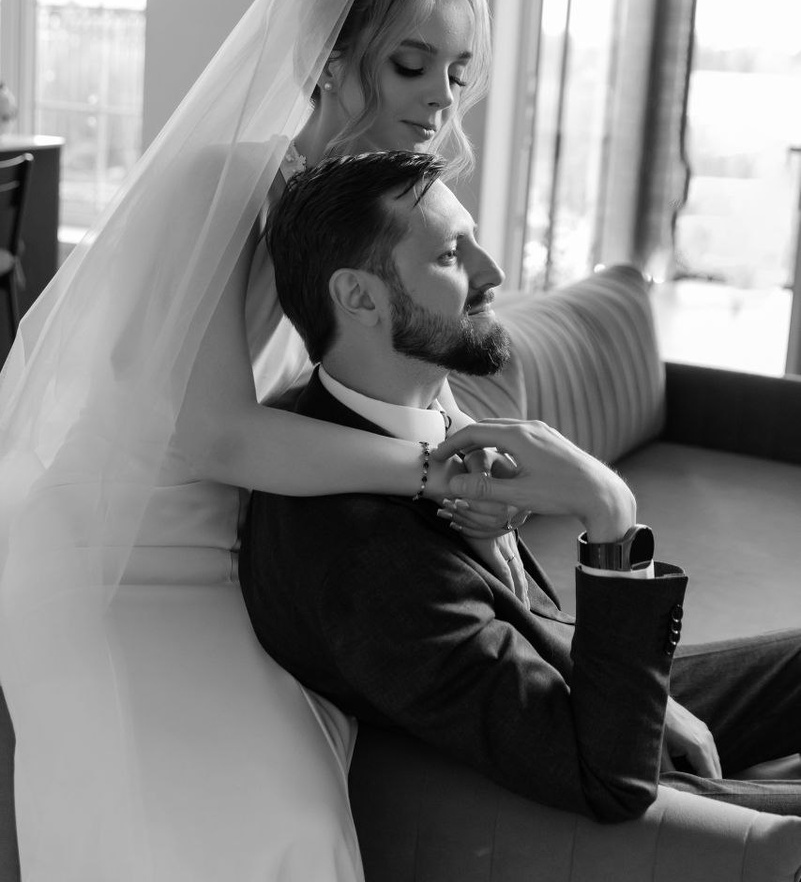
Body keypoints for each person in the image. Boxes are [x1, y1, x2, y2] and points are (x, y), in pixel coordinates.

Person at [0, 0, 563, 881]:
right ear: (331, 57)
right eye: (410, 64)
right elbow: (218, 436)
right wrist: (442, 470)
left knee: (301, 820)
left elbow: (392, 378)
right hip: (107, 561)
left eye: (456, 72)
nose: (440, 98)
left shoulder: (356, 211)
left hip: (233, 558)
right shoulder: (217, 181)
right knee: (214, 836)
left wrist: (484, 466)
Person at [241, 149, 801, 823]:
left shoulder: (400, 417)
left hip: (584, 682)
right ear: (359, 297)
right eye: (451, 255)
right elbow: (609, 780)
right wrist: (609, 512)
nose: (494, 273)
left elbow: (525, 624)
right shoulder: (364, 558)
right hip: (589, 773)